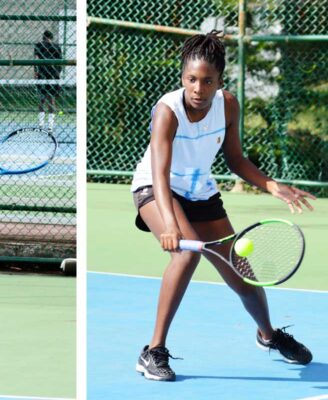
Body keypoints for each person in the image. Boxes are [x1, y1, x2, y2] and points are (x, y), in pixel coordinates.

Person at [130, 31, 316, 381]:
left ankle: (268, 335)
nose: (198, 89)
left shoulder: (228, 105)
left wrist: (271, 185)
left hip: (200, 191)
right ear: (182, 77)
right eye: (191, 79)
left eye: (207, 81)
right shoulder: (168, 111)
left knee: (241, 271)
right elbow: (159, 173)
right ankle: (152, 351)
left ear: (219, 82)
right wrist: (170, 224)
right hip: (156, 188)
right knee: (186, 256)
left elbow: (236, 159)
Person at [34, 30, 63, 132]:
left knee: (42, 98)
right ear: (52, 37)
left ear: (43, 37)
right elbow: (60, 62)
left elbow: (36, 59)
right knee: (51, 99)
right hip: (53, 74)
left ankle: (41, 124)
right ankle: (50, 125)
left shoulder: (38, 45)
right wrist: (57, 73)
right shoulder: (57, 46)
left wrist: (36, 72)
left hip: (42, 74)